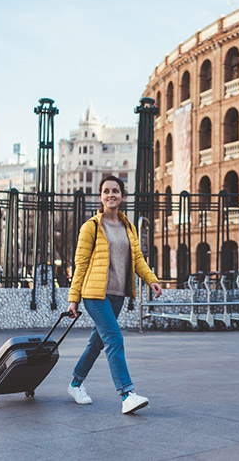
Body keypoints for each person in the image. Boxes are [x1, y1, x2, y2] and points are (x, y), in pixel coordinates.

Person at [67, 175, 162, 414]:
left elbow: (138, 259)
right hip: (94, 294)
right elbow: (81, 263)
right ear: (100, 197)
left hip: (117, 294)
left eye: (116, 191)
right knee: (114, 339)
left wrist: (151, 280)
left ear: (122, 197)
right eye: (107, 191)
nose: (111, 195)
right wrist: (73, 298)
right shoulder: (91, 226)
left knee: (97, 343)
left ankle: (75, 383)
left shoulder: (128, 227)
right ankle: (127, 394)